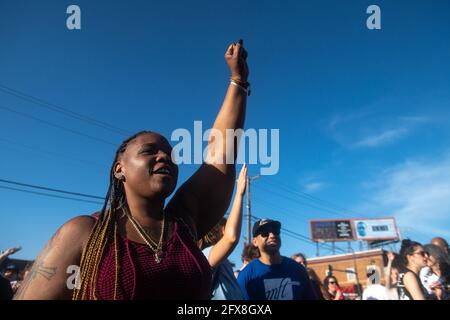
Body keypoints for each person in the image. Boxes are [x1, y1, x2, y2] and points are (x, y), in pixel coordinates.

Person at [14, 40, 250, 300]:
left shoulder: (185, 223)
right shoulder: (85, 232)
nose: (164, 157)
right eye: (149, 151)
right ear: (119, 169)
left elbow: (221, 152)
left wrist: (237, 80)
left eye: (170, 154)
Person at [199, 164, 247, 300]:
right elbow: (231, 238)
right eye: (228, 226)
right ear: (221, 230)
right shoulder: (205, 256)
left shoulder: (223, 261)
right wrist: (239, 194)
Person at [237, 219, 317, 300]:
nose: (272, 235)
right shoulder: (246, 275)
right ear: (255, 242)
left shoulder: (298, 270)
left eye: (275, 231)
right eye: (265, 232)